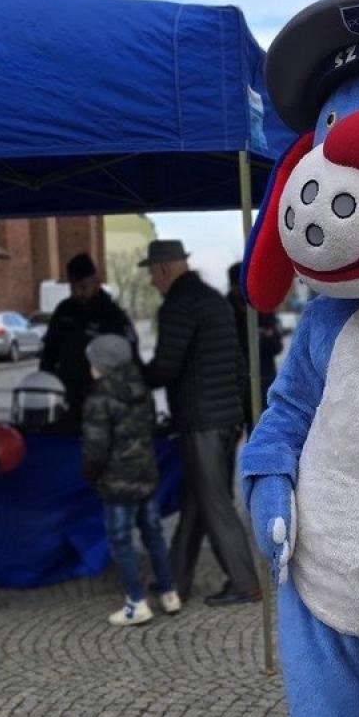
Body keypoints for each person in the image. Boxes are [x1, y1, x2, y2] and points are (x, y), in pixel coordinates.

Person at [140, 240, 261, 606]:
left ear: (164, 269)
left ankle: (245, 582)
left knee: (214, 502)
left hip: (200, 421)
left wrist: (130, 375)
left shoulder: (179, 303)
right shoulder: (213, 299)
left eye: (151, 273)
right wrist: (240, 416)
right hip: (223, 420)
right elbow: (240, 365)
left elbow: (165, 367)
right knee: (195, 501)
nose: (150, 281)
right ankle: (174, 579)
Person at [82, 333, 181, 626]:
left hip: (116, 482)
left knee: (121, 540)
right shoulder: (142, 390)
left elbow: (95, 447)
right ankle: (169, 592)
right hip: (145, 475)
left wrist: (90, 473)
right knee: (153, 534)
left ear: (102, 365)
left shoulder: (99, 398)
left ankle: (136, 602)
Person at [40, 253, 139, 425]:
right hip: (66, 399)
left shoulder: (113, 315)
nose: (78, 293)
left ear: (96, 282)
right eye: (73, 288)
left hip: (102, 403)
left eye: (83, 287)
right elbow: (49, 353)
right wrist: (47, 385)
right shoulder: (64, 311)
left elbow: (130, 359)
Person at [227, 262, 283, 429]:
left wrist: (260, 339)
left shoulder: (263, 307)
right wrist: (260, 338)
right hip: (236, 385)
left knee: (262, 430)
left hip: (264, 380)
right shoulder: (227, 310)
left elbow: (276, 345)